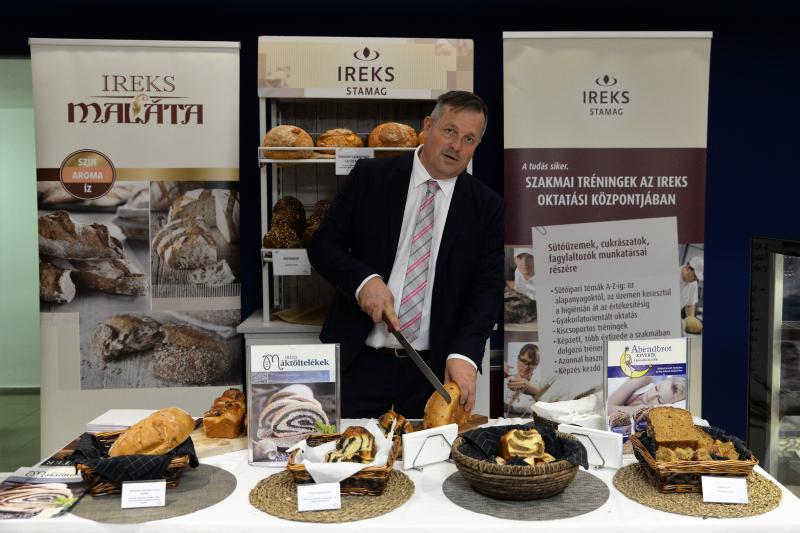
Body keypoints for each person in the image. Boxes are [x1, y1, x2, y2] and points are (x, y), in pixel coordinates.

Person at [308, 91, 503, 418]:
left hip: (433, 371)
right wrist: (363, 282)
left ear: (477, 145)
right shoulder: (371, 177)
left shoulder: (487, 206)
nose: (456, 146)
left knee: (430, 453)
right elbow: (322, 245)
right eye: (450, 131)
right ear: (428, 126)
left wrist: (465, 355)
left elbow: (488, 289)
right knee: (345, 448)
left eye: (469, 139)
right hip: (358, 361)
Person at [504, 343, 551, 415]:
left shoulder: (540, 385)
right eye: (523, 361)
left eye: (531, 363)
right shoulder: (506, 380)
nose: (526, 367)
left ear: (536, 365)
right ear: (518, 359)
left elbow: (549, 409)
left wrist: (535, 392)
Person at [607, 375, 688, 415]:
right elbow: (606, 409)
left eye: (659, 400)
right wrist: (634, 410)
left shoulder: (649, 413)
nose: (650, 396)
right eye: (656, 388)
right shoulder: (642, 380)